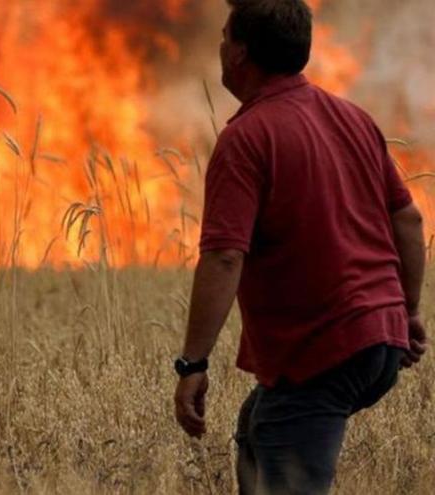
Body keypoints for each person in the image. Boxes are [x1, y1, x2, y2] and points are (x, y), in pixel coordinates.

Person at [172, 0, 428, 493]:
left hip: (326, 345)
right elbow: (408, 217)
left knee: (289, 466)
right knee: (261, 427)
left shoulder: (246, 138)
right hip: (380, 338)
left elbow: (225, 256)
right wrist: (408, 311)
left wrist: (193, 364)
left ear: (240, 54)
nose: (220, 46)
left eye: (225, 37)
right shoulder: (353, 118)